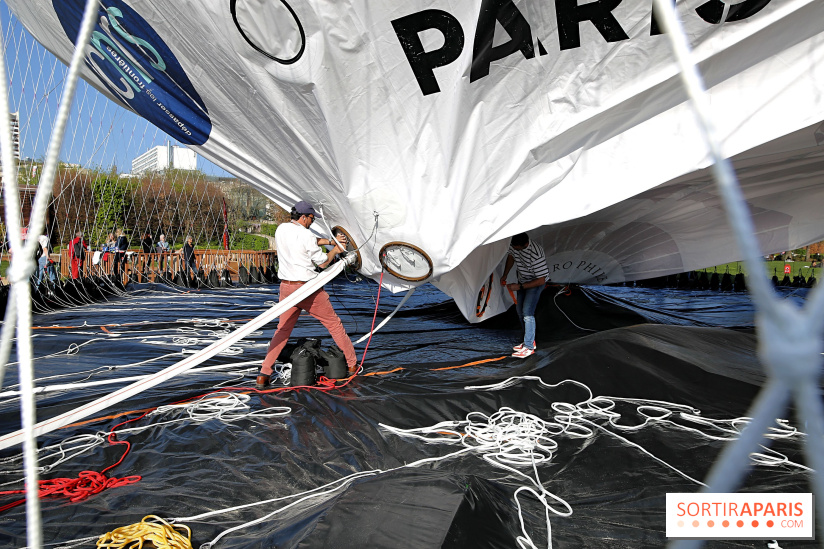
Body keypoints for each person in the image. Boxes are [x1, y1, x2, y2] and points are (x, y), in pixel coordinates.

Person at [256, 201, 357, 388]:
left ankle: (264, 374)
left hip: (286, 288)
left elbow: (306, 241)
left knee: (282, 331)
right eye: (311, 218)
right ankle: (352, 365)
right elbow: (323, 263)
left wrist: (328, 241)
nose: (312, 221)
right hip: (308, 290)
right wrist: (335, 249)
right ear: (303, 217)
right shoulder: (306, 235)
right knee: (334, 325)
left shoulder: (281, 229)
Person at [500, 232, 549, 358]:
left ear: (525, 244)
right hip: (523, 280)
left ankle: (529, 347)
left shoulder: (536, 254)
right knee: (520, 311)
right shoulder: (515, 244)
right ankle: (529, 340)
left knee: (527, 313)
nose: (514, 249)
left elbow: (541, 280)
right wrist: (505, 274)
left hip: (535, 283)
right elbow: (511, 256)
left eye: (516, 247)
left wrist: (519, 287)